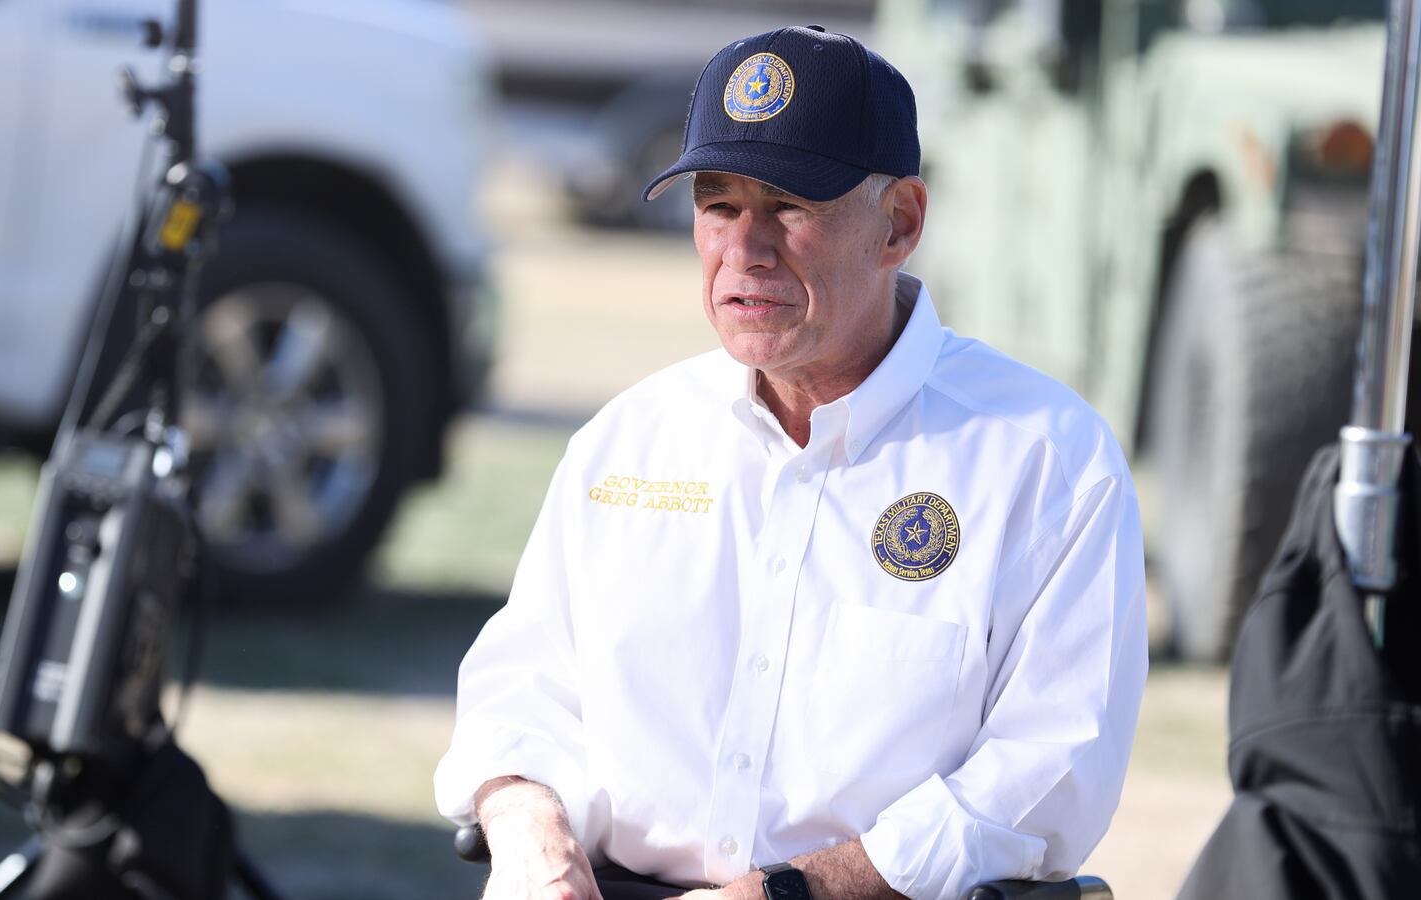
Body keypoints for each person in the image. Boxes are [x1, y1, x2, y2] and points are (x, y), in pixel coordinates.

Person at [436, 25, 1148, 900]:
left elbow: (1049, 772)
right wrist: (526, 825)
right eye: (718, 204)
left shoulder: (1044, 458)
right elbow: (524, 685)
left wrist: (791, 894)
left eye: (790, 207)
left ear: (900, 223)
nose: (746, 250)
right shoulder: (627, 441)